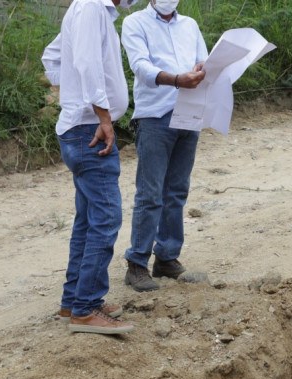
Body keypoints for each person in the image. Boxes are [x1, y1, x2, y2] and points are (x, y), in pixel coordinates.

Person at [41, 0, 137, 334]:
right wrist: (100, 114)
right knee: (107, 217)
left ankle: (75, 301)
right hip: (89, 131)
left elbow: (54, 57)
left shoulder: (88, 10)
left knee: (88, 219)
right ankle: (85, 308)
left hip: (82, 128)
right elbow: (86, 63)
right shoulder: (91, 7)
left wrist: (73, 91)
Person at [120, 0, 208, 292]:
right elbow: (141, 67)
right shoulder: (135, 23)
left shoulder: (190, 25)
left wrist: (202, 70)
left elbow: (204, 61)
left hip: (190, 114)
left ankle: (167, 257)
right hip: (155, 118)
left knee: (177, 190)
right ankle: (136, 263)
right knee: (150, 193)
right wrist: (176, 79)